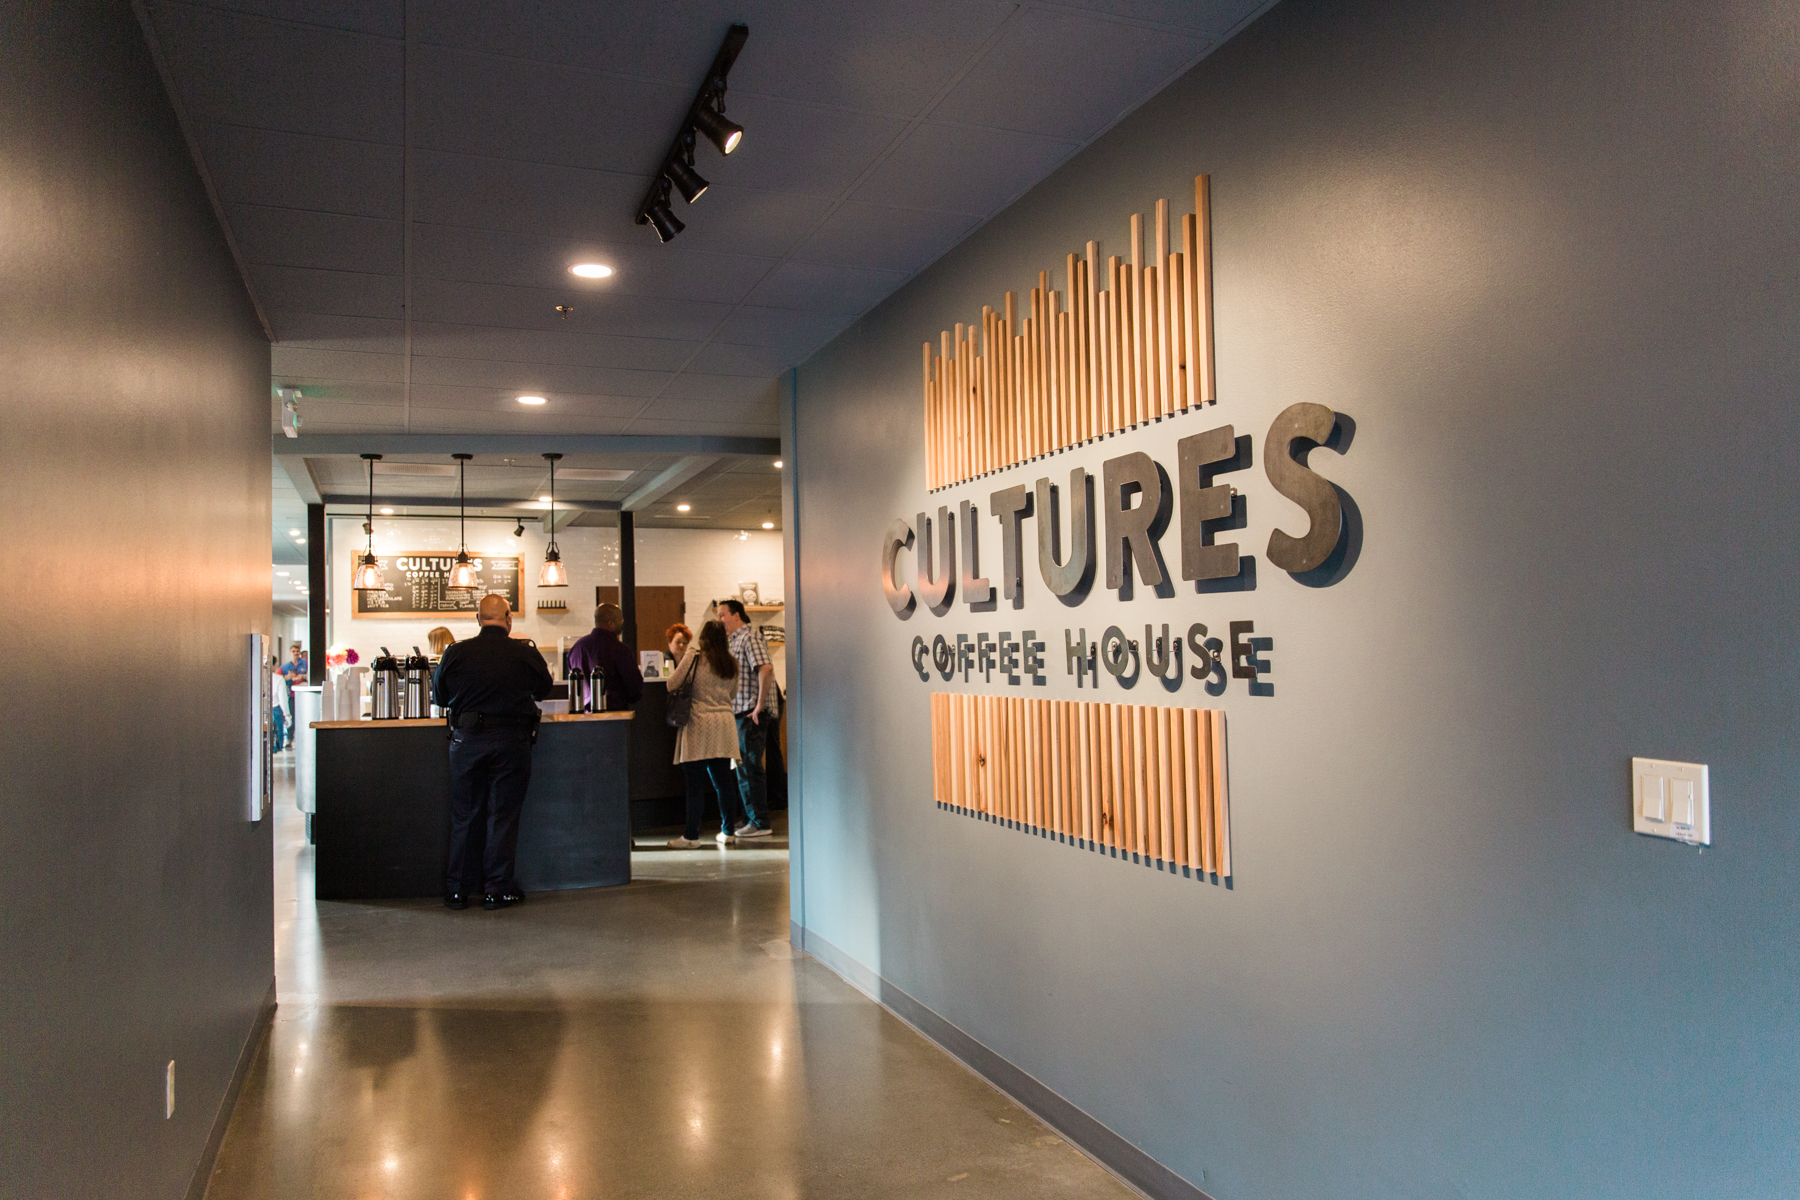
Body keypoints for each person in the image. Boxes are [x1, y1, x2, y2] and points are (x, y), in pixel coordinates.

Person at [431, 594, 553, 911]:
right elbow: (545, 688)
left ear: (478, 618)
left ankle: (457, 891)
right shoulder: (523, 651)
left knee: (464, 816)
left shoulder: (456, 652)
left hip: (466, 740)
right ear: (508, 617)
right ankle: (496, 890)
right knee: (502, 816)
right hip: (512, 742)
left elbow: (439, 696)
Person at [664, 620, 742, 848]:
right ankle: (728, 832)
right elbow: (733, 693)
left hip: (698, 724)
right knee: (723, 782)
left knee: (695, 784)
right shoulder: (731, 663)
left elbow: (671, 684)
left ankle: (691, 836)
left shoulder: (695, 657)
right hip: (724, 724)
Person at [717, 598, 776, 838]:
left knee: (750, 769)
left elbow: (765, 668)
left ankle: (760, 822)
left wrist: (760, 705)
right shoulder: (734, 640)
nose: (720, 620)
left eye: (723, 615)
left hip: (750, 712)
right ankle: (751, 818)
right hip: (739, 711)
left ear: (736, 615)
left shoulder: (750, 637)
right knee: (742, 769)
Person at [566, 603, 643, 711]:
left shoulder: (577, 647)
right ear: (611, 623)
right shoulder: (620, 650)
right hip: (613, 715)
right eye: (620, 619)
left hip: (581, 716)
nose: (622, 622)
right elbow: (634, 687)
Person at [269, 657, 289, 752]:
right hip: (276, 709)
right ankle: (277, 747)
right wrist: (287, 715)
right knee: (278, 732)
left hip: (263, 709)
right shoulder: (279, 679)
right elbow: (283, 699)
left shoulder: (257, 677)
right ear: (274, 665)